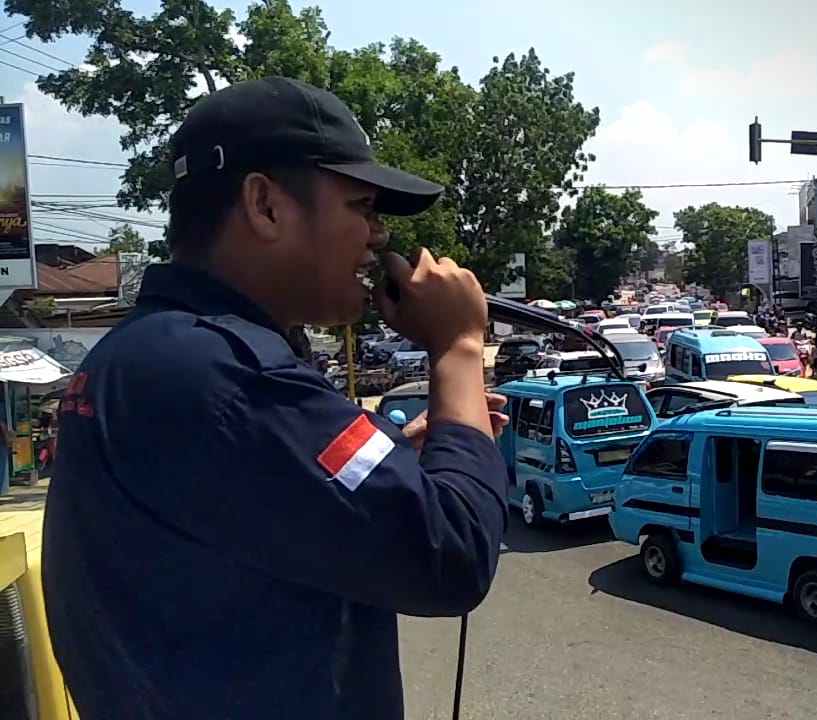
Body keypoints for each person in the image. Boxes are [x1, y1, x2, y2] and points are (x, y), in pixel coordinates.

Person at [42, 77, 509, 720]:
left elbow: (255, 514)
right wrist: (457, 344)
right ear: (264, 204)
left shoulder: (149, 352)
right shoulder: (225, 374)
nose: (379, 237)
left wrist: (397, 454)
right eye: (362, 206)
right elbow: (452, 554)